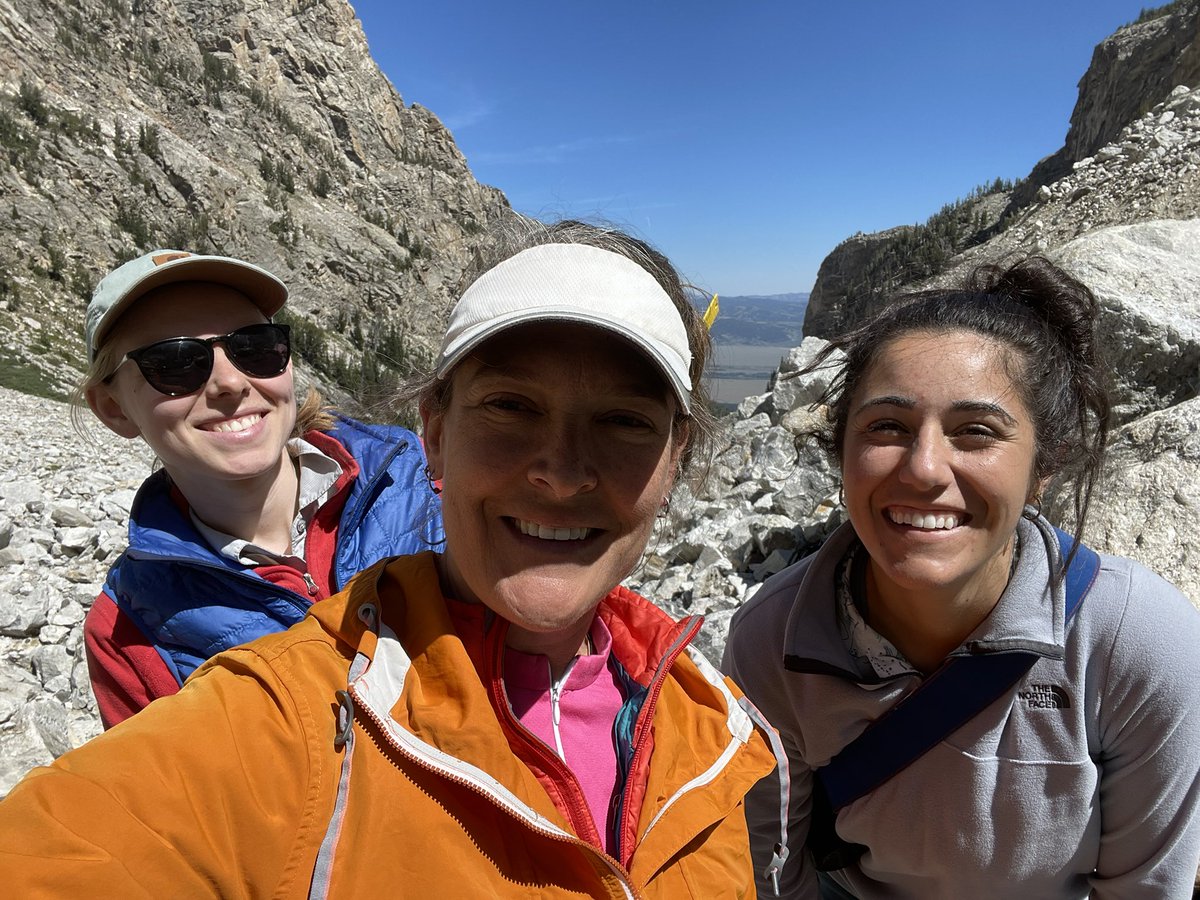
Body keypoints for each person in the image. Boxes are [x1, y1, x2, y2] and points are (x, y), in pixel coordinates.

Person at [1, 221, 783, 897]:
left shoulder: (711, 726)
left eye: (624, 420)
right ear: (435, 435)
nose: (562, 469)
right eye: (510, 405)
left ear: (677, 457)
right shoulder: (254, 689)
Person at [722, 256, 1200, 898]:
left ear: (1045, 465)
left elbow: (1145, 888)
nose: (923, 468)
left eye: (976, 432)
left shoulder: (1136, 643)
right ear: (842, 450)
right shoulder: (771, 642)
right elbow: (776, 872)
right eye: (887, 426)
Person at [76, 249, 443, 727]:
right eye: (175, 362)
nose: (230, 381)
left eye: (254, 346)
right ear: (113, 408)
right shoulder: (124, 632)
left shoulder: (422, 475)